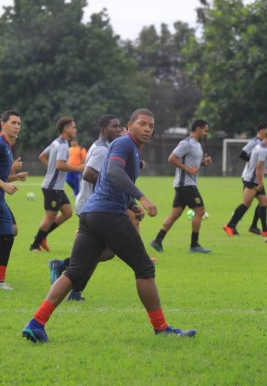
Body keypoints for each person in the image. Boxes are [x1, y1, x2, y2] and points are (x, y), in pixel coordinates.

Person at [22, 108, 196, 343]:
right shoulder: (125, 144)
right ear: (130, 125)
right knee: (145, 269)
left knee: (74, 272)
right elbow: (113, 171)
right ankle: (161, 328)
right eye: (142, 124)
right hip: (107, 215)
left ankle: (36, 323)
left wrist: (131, 204)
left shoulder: (130, 147)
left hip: (92, 214)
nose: (147, 129)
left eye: (151, 126)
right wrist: (142, 198)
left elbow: (109, 179)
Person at [49, 114, 122, 301]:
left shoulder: (102, 147)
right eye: (114, 126)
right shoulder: (102, 150)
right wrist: (110, 186)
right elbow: (89, 174)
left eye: (119, 126)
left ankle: (74, 289)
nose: (118, 129)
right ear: (102, 130)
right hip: (92, 206)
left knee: (99, 251)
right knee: (105, 251)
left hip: (92, 205)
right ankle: (64, 268)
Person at [150, 119, 212, 254]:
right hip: (186, 184)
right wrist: (188, 170)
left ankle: (157, 241)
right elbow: (171, 158)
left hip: (186, 184)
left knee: (175, 213)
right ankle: (194, 245)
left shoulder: (196, 144)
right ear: (198, 128)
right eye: (205, 130)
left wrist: (203, 163)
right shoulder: (186, 143)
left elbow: (192, 163)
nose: (206, 133)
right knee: (200, 212)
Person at [29, 117, 84, 252]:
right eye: (73, 127)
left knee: (67, 212)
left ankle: (42, 236)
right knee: (50, 216)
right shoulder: (64, 145)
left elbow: (42, 156)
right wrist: (78, 168)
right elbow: (60, 165)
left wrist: (51, 169)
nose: (75, 130)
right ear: (66, 129)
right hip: (52, 188)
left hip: (56, 187)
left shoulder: (56, 142)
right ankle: (35, 245)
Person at [0, 110, 26, 290]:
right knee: (8, 235)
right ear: (3, 123)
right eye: (13, 123)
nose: (17, 126)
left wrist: (14, 178)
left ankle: (1, 282)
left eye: (19, 124)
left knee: (9, 235)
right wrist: (4, 185)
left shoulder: (7, 146)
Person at [223, 137, 267, 236]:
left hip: (254, 179)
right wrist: (260, 183)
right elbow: (259, 167)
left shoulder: (258, 147)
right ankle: (229, 225)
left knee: (264, 203)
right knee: (245, 204)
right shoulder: (263, 150)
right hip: (252, 181)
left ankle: (265, 230)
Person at [237, 122, 267, 235]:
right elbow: (242, 154)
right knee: (246, 203)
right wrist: (254, 162)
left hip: (256, 176)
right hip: (250, 176)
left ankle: (255, 226)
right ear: (262, 130)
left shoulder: (262, 145)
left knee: (263, 201)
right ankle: (231, 224)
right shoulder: (255, 142)